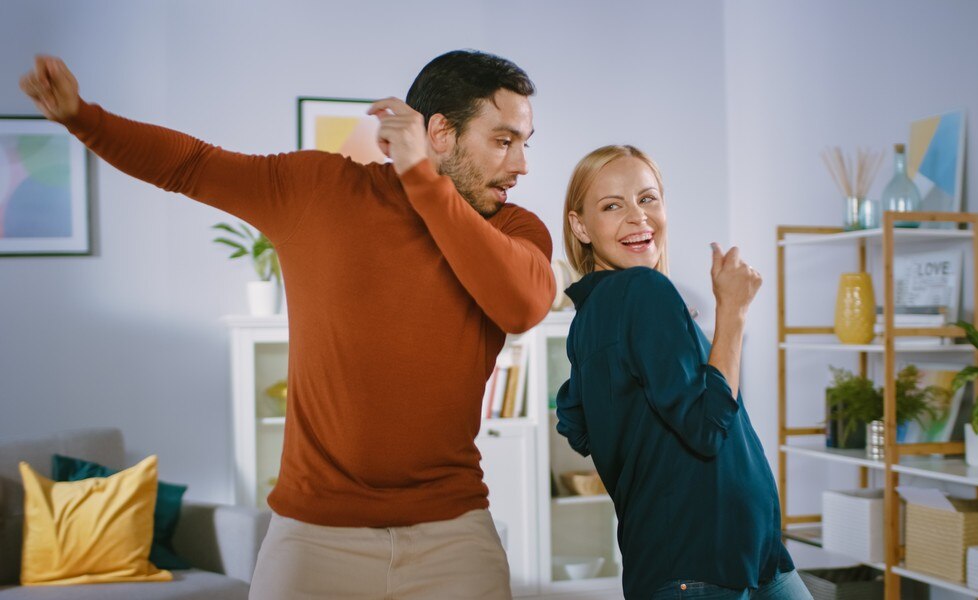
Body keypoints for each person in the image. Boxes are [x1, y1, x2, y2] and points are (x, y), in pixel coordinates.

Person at [20, 50, 554, 599]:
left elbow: (521, 306)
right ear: (440, 132)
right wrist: (80, 116)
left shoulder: (514, 229)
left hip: (454, 539)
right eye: (504, 140)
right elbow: (191, 165)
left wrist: (420, 177)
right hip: (315, 540)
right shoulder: (317, 189)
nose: (521, 165)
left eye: (524, 144)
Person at [555, 145, 811, 600]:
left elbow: (576, 421)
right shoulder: (644, 289)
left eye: (648, 198)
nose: (638, 217)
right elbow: (707, 427)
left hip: (743, 556)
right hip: (701, 564)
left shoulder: (590, 315)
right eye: (612, 206)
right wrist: (732, 311)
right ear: (580, 225)